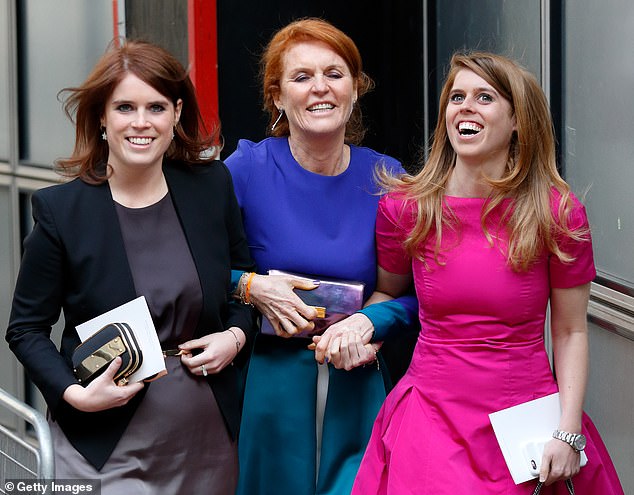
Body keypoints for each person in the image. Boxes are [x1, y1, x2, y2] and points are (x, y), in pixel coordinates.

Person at [351, 51, 624, 494]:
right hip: (430, 418)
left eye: (484, 97)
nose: (465, 106)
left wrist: (567, 430)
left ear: (517, 120)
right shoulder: (407, 209)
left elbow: (571, 331)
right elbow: (389, 296)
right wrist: (360, 331)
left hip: (524, 426)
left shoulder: (556, 213)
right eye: (456, 96)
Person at [5, 40, 256, 494]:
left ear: (176, 113)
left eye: (156, 107)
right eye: (125, 107)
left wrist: (235, 337)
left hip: (206, 438)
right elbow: (25, 329)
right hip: (103, 441)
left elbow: (242, 285)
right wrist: (74, 395)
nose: (141, 123)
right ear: (102, 116)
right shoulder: (62, 211)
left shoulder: (211, 187)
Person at [225, 18, 418, 495]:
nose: (320, 89)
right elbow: (192, 265)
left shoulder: (389, 179)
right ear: (277, 97)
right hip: (267, 388)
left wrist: (370, 323)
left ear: (355, 89)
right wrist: (250, 286)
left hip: (357, 379)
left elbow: (418, 295)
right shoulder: (245, 169)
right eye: (301, 76)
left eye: (334, 74)